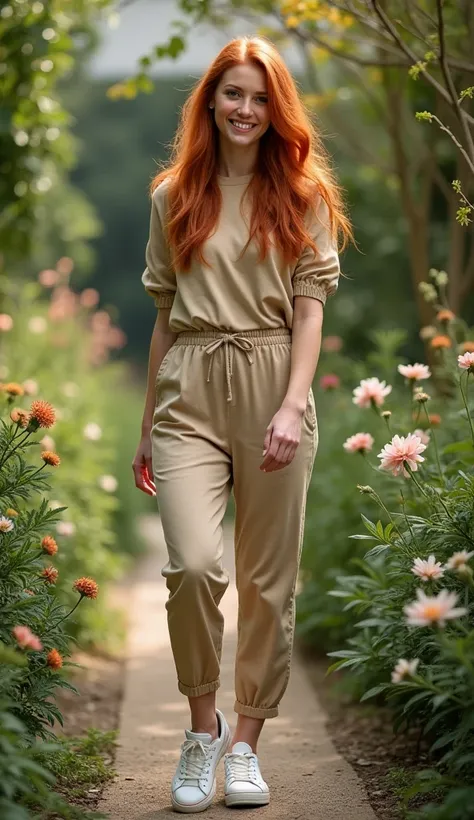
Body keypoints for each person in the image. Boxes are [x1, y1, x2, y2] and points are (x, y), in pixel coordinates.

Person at [133, 35, 351, 814]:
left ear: (277, 107)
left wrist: (293, 404)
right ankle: (201, 733)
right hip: (187, 386)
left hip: (272, 383)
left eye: (260, 97)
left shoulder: (303, 195)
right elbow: (162, 317)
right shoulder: (173, 195)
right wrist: (144, 425)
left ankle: (247, 748)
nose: (246, 110)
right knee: (192, 566)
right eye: (233, 94)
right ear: (210, 101)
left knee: (268, 582)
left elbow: (310, 310)